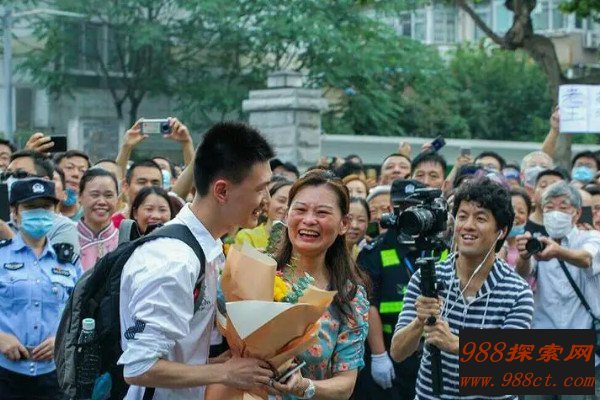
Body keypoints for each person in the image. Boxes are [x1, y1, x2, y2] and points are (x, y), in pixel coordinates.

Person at [118, 121, 276, 400]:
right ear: (222, 191)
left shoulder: (208, 247)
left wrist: (228, 363)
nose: (267, 200)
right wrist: (224, 372)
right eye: (260, 189)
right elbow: (139, 367)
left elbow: (181, 352)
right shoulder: (174, 262)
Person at [391, 177, 534, 399]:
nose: (468, 226)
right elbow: (398, 352)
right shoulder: (427, 277)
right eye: (462, 216)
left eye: (480, 218)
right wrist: (419, 322)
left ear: (502, 231)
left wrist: (456, 345)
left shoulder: (517, 291)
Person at [270, 169, 369, 400]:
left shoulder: (349, 297)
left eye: (322, 212)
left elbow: (345, 385)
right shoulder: (258, 274)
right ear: (287, 215)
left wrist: (303, 386)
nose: (309, 220)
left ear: (343, 224)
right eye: (300, 210)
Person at [515, 181, 600, 400]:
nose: (555, 213)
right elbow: (523, 274)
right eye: (549, 207)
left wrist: (558, 252)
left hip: (580, 349)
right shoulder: (538, 243)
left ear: (577, 213)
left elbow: (586, 259)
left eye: (563, 207)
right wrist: (524, 255)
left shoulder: (591, 238)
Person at [0, 178, 81, 399]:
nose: (39, 213)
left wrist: (62, 340)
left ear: (55, 212)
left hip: (53, 376)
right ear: (15, 213)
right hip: (5, 372)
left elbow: (81, 312)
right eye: (30, 207)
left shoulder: (68, 262)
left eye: (45, 207)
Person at [354, 179, 432, 400]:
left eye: (417, 207)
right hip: (388, 351)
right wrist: (379, 355)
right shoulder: (374, 252)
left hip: (431, 352)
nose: (411, 213)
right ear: (391, 209)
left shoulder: (437, 249)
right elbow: (368, 304)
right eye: (403, 207)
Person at [77, 168, 120, 271]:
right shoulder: (66, 236)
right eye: (95, 195)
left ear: (117, 199)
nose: (101, 202)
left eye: (108, 195)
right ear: (80, 197)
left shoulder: (124, 240)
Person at [235, 178, 293, 251]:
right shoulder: (247, 236)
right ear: (267, 202)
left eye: (291, 203)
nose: (286, 207)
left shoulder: (296, 242)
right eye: (281, 200)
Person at [111, 159, 163, 228]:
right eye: (142, 182)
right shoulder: (113, 226)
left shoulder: (169, 224)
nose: (149, 188)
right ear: (125, 186)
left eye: (155, 183)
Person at [525, 169, 566, 237]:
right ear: (533, 193)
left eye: (555, 187)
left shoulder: (569, 227)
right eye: (543, 186)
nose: (548, 190)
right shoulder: (521, 224)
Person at [499, 188, 532, 270]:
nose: (515, 215)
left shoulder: (528, 244)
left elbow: (524, 273)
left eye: (521, 212)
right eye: (511, 209)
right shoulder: (490, 241)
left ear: (527, 217)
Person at [54, 150, 91, 221]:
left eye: (82, 170)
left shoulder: (90, 216)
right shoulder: (40, 212)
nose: (76, 174)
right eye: (69, 167)